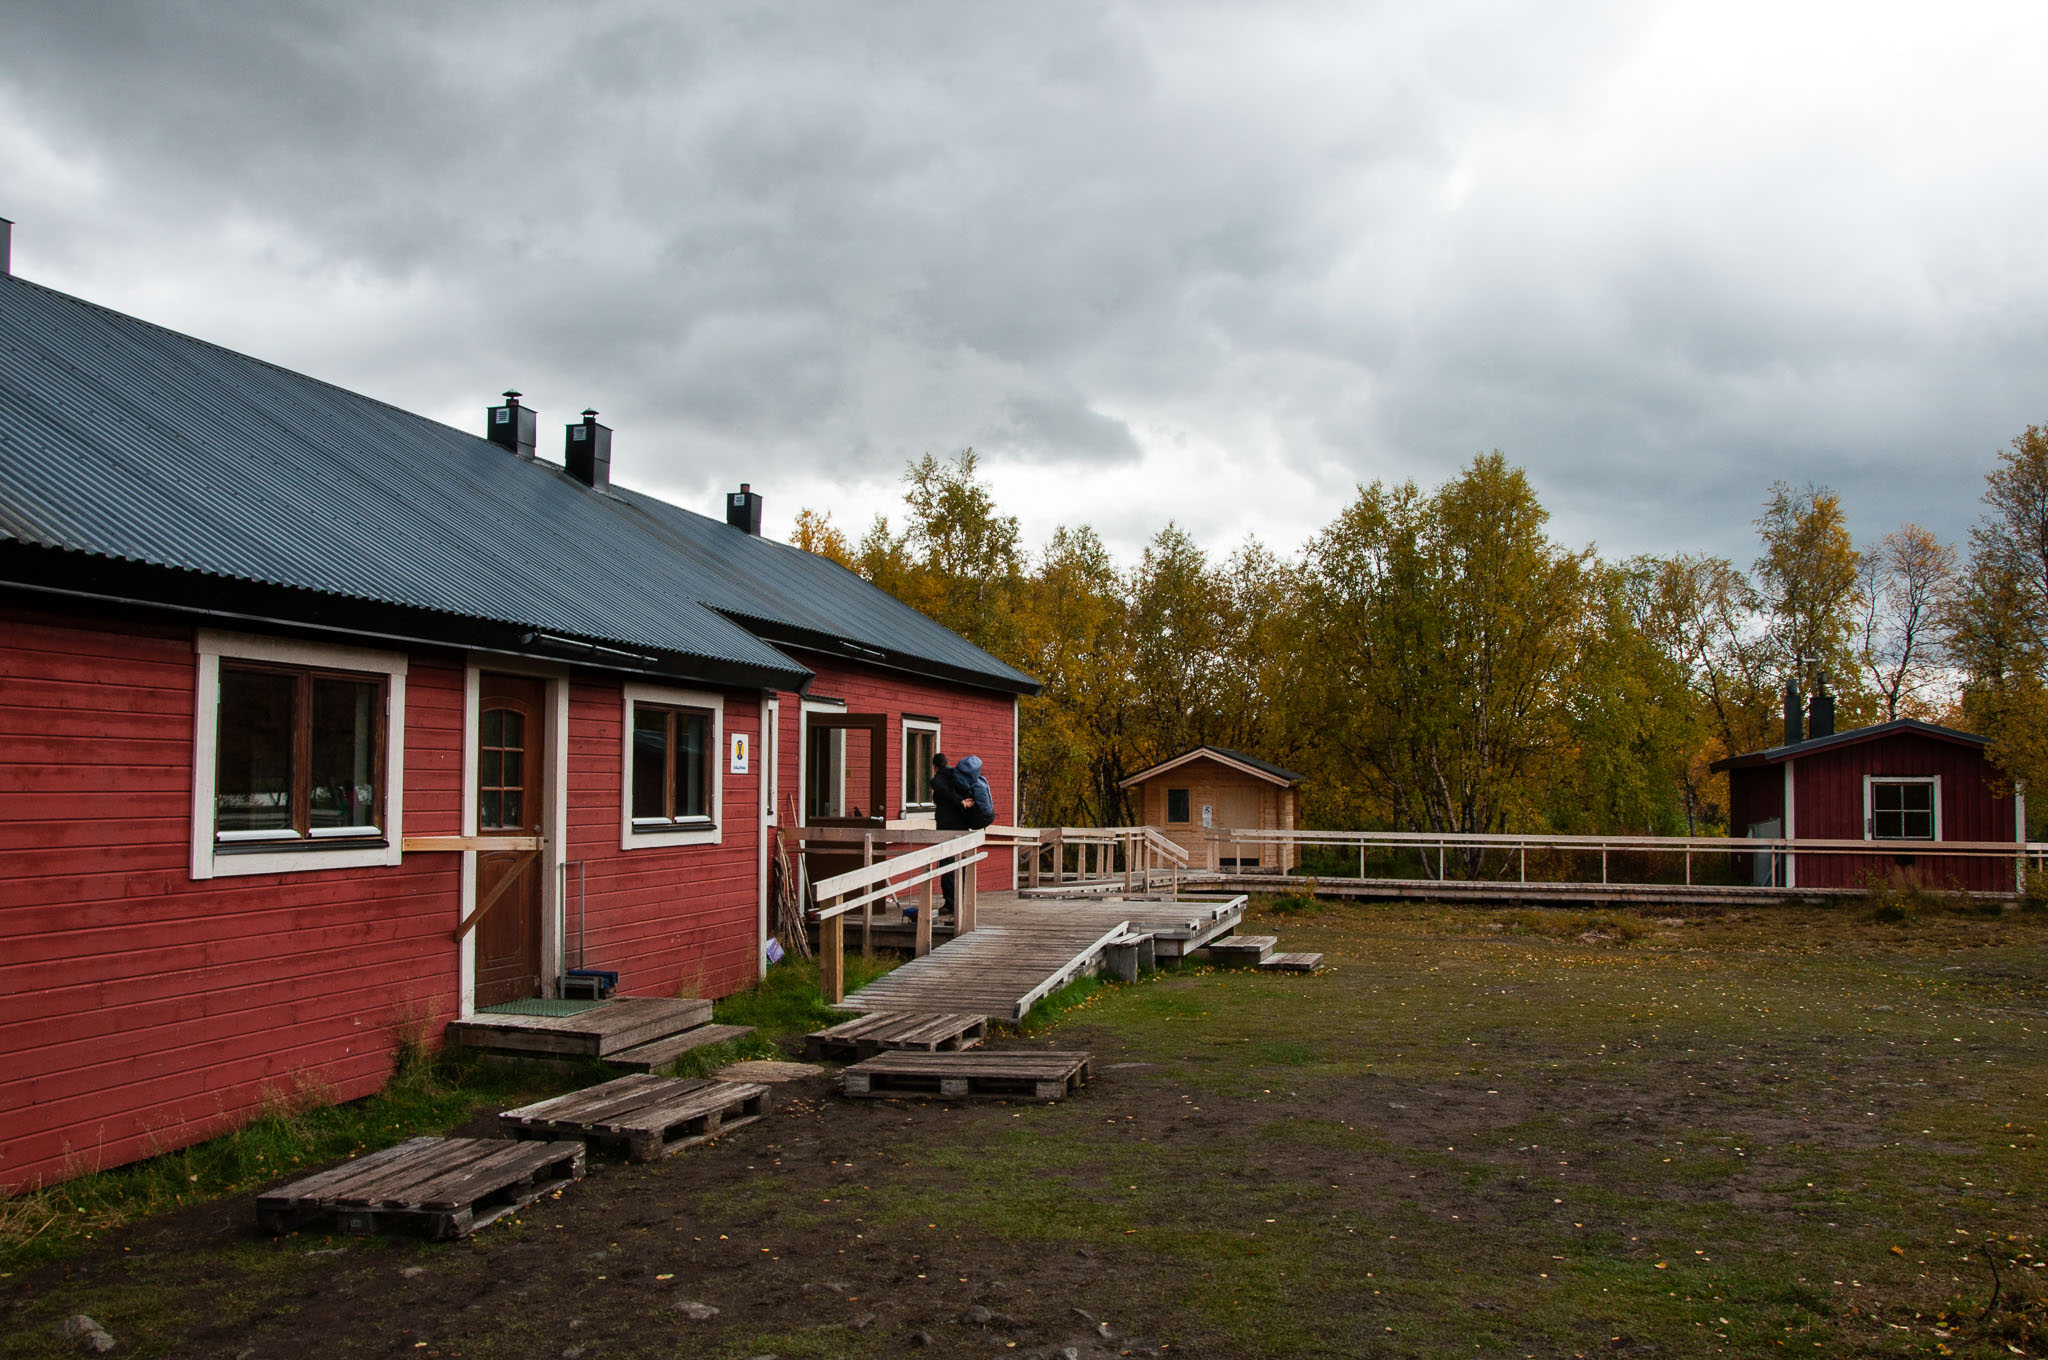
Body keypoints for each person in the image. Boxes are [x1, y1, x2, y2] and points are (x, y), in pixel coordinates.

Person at [929, 751, 975, 918]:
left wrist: (958, 801)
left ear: (935, 766)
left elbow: (941, 789)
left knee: (947, 865)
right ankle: (960, 899)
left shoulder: (938, 779)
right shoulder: (958, 777)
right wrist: (961, 801)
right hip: (962, 827)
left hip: (947, 828)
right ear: (947, 763)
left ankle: (951, 903)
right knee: (960, 863)